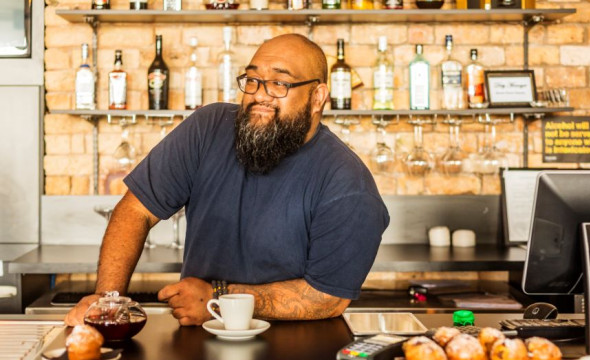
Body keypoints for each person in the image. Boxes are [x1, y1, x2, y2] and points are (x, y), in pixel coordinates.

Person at [65, 33, 389, 326]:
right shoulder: (209, 128)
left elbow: (327, 297)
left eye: (280, 83)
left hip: (296, 344)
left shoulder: (347, 184)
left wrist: (219, 298)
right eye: (252, 79)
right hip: (198, 337)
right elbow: (136, 210)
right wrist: (107, 299)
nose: (260, 94)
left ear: (317, 97)